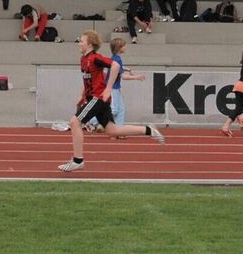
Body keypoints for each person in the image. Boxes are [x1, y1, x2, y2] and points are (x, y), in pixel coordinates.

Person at [59, 30, 165, 172]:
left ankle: (78, 160)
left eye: (82, 41)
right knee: (112, 130)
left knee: (74, 122)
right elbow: (92, 79)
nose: (79, 43)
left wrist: (108, 88)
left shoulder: (95, 58)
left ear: (90, 44)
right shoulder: (83, 59)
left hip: (99, 98)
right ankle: (148, 130)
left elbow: (115, 66)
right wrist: (82, 95)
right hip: (94, 98)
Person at [106, 37, 146, 127]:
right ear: (119, 48)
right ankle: (93, 121)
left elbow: (118, 69)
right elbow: (123, 76)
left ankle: (118, 129)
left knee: (121, 109)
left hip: (115, 87)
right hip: (112, 87)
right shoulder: (117, 59)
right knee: (115, 110)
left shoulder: (115, 58)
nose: (125, 47)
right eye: (124, 45)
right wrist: (136, 77)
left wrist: (127, 68)